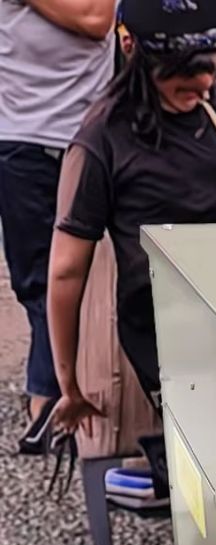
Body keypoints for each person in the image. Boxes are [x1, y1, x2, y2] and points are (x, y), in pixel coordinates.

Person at [48, 0, 216, 434]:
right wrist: (68, 383)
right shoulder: (103, 137)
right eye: (182, 75)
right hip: (167, 329)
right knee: (214, 443)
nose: (202, 86)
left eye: (208, 67)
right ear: (131, 50)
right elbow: (66, 269)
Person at [0, 0, 116, 453]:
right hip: (23, 137)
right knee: (37, 281)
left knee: (94, 275)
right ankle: (51, 398)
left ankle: (68, 396)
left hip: (90, 136)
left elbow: (97, 19)